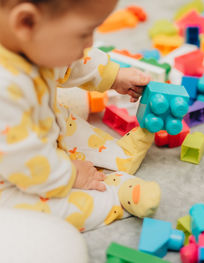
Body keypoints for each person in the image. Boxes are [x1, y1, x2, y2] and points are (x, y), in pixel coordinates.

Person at [0, 0, 161, 231]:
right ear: (26, 22)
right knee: (37, 214)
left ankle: (118, 154)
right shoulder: (5, 91)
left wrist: (114, 76)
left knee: (62, 118)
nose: (91, 42)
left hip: (34, 128)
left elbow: (72, 63)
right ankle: (116, 195)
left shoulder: (35, 39)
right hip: (12, 173)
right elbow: (27, 165)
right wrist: (71, 175)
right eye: (84, 33)